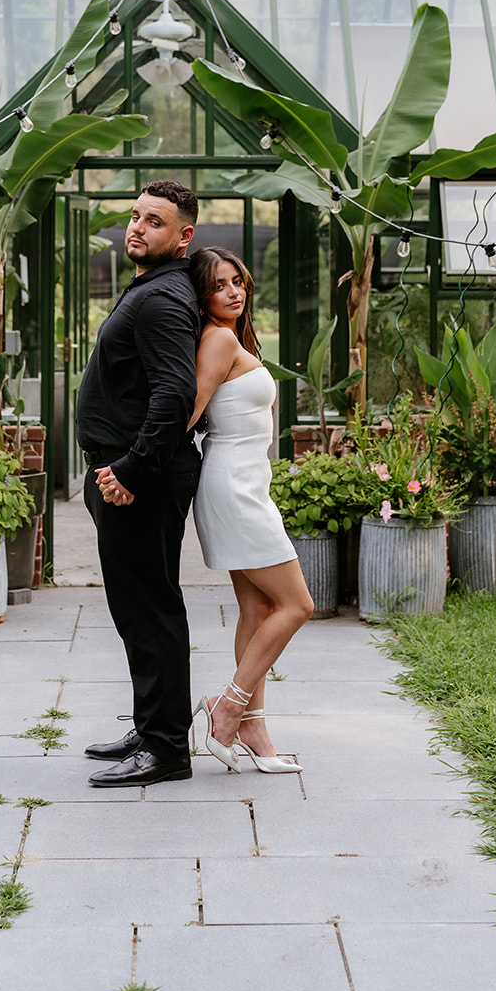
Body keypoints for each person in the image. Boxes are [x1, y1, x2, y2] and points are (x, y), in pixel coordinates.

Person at [76, 180, 202, 789]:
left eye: (154, 222)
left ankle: (166, 749)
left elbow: (175, 396)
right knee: (136, 610)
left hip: (138, 478)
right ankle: (153, 727)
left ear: (184, 237)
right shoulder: (153, 289)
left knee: (150, 610)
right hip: (124, 472)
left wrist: (128, 471)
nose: (137, 228)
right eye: (135, 217)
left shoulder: (162, 299)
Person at [188, 246, 314, 773]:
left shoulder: (232, 337)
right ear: (203, 293)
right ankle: (229, 708)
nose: (234, 292)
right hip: (233, 488)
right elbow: (187, 412)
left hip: (246, 484)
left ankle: (255, 729)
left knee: (259, 610)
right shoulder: (217, 339)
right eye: (220, 285)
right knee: (297, 605)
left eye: (238, 281)